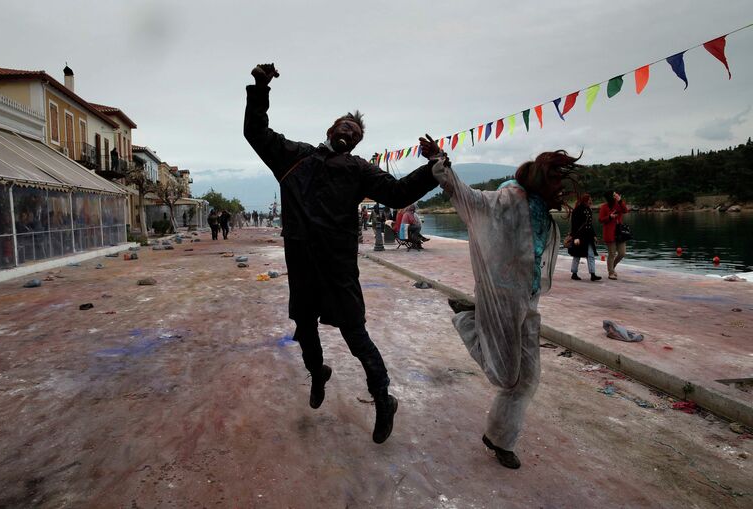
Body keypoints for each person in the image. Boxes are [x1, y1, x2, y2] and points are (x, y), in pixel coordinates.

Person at [244, 62, 440, 444]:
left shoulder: (359, 170)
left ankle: (383, 398)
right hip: (301, 265)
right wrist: (261, 88)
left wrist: (432, 166)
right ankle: (318, 374)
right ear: (330, 131)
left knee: (355, 333)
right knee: (304, 328)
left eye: (355, 130)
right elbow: (255, 131)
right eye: (344, 125)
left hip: (338, 267)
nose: (348, 130)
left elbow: (399, 194)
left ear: (357, 141)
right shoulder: (294, 157)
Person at [433, 142, 582, 469]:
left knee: (526, 379)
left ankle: (499, 438)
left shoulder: (541, 208)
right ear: (542, 177)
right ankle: (469, 321)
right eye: (555, 179)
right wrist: (440, 164)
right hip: (500, 297)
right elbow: (469, 198)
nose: (560, 187)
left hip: (527, 301)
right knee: (503, 374)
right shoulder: (508, 198)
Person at [568, 193, 601, 281]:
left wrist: (594, 235)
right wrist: (576, 237)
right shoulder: (577, 210)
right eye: (589, 199)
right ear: (585, 200)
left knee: (591, 255)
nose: (591, 201)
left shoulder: (589, 210)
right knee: (577, 255)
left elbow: (590, 225)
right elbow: (574, 225)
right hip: (579, 236)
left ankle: (593, 274)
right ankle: (574, 273)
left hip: (588, 236)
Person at [598, 191, 629, 280]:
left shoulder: (618, 204)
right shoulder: (604, 207)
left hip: (620, 232)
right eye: (614, 195)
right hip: (609, 232)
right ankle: (610, 272)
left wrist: (620, 201)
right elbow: (600, 219)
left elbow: (625, 210)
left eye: (616, 195)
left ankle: (613, 266)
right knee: (611, 253)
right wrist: (609, 217)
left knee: (622, 253)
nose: (615, 196)